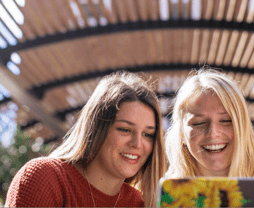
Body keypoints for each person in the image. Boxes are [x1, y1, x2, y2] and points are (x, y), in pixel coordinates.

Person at [6, 71, 166, 207]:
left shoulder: (140, 204)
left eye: (148, 134)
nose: (137, 144)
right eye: (125, 129)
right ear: (97, 128)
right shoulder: (45, 178)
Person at [165, 68, 254, 178]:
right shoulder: (169, 194)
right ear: (181, 134)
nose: (213, 132)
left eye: (226, 120)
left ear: (243, 126)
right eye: (198, 123)